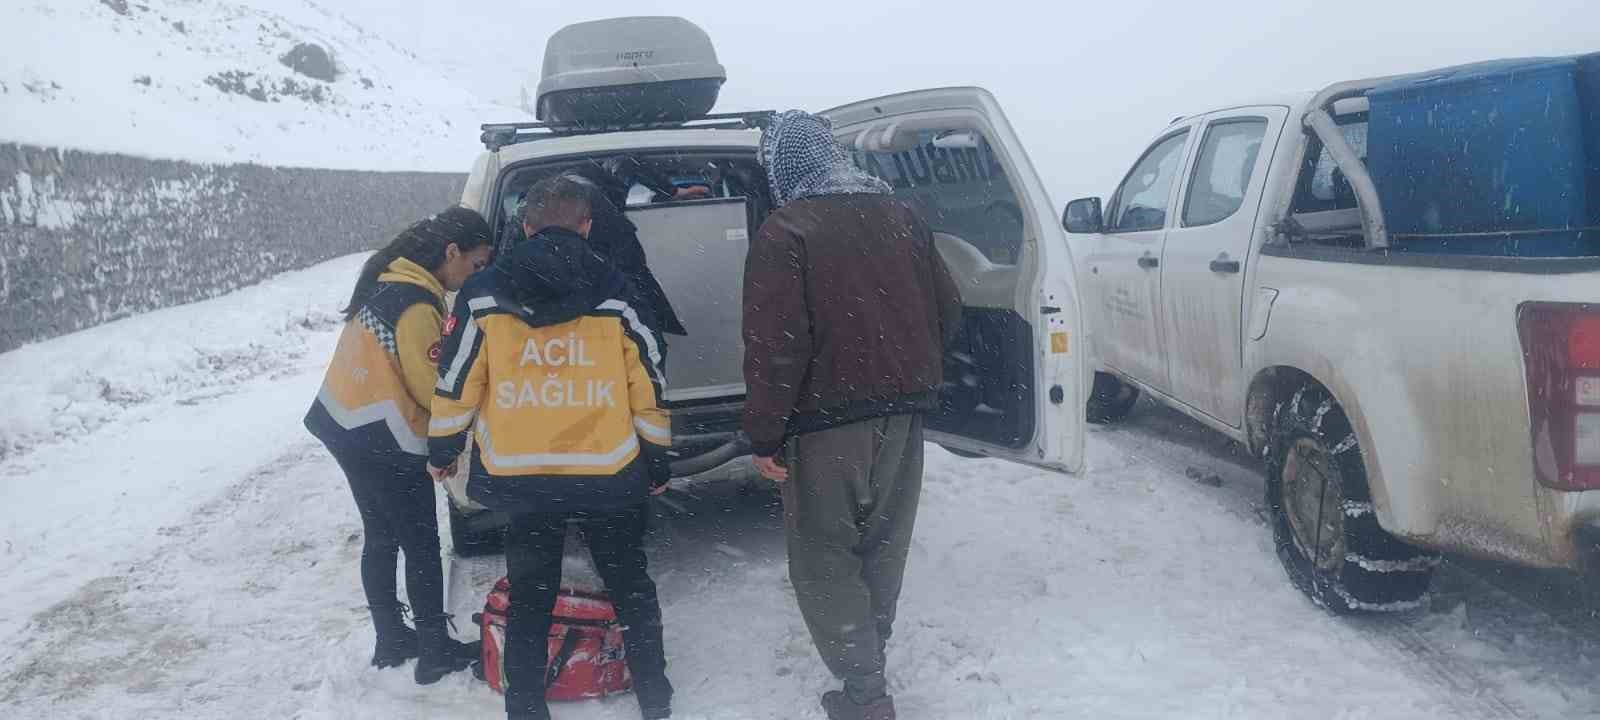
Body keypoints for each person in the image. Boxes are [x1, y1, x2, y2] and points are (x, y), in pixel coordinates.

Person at [742, 111, 963, 720]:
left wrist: (764, 432)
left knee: (823, 554)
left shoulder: (787, 229)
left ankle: (866, 695)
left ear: (783, 165)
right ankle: (872, 656)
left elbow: (776, 345)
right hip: (904, 413)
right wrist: (912, 369)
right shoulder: (902, 217)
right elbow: (949, 309)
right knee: (883, 543)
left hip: (825, 422)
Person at [427, 176, 674, 720]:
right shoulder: (618, 292)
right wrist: (657, 456)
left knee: (531, 594)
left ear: (526, 225)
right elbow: (649, 387)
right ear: (587, 225)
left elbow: (456, 381)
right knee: (630, 584)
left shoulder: (484, 293)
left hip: (524, 475)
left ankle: (525, 705)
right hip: (607, 472)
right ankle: (656, 697)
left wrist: (443, 449)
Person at [303, 206, 495, 684]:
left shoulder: (389, 283)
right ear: (451, 253)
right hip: (383, 436)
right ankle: (433, 652)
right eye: (474, 264)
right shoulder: (417, 305)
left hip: (345, 424)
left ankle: (391, 639)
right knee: (421, 542)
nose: (475, 274)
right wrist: (457, 434)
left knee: (382, 535)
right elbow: (433, 388)